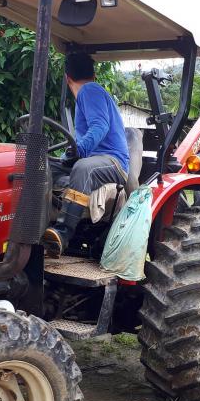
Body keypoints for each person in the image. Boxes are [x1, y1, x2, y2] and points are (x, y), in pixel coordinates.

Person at [43, 52, 129, 257]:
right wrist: (68, 155)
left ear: (67, 77)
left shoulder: (89, 91)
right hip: (94, 160)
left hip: (112, 162)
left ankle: (61, 235)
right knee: (41, 165)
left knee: (83, 168)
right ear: (94, 74)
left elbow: (100, 126)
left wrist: (78, 150)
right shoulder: (92, 93)